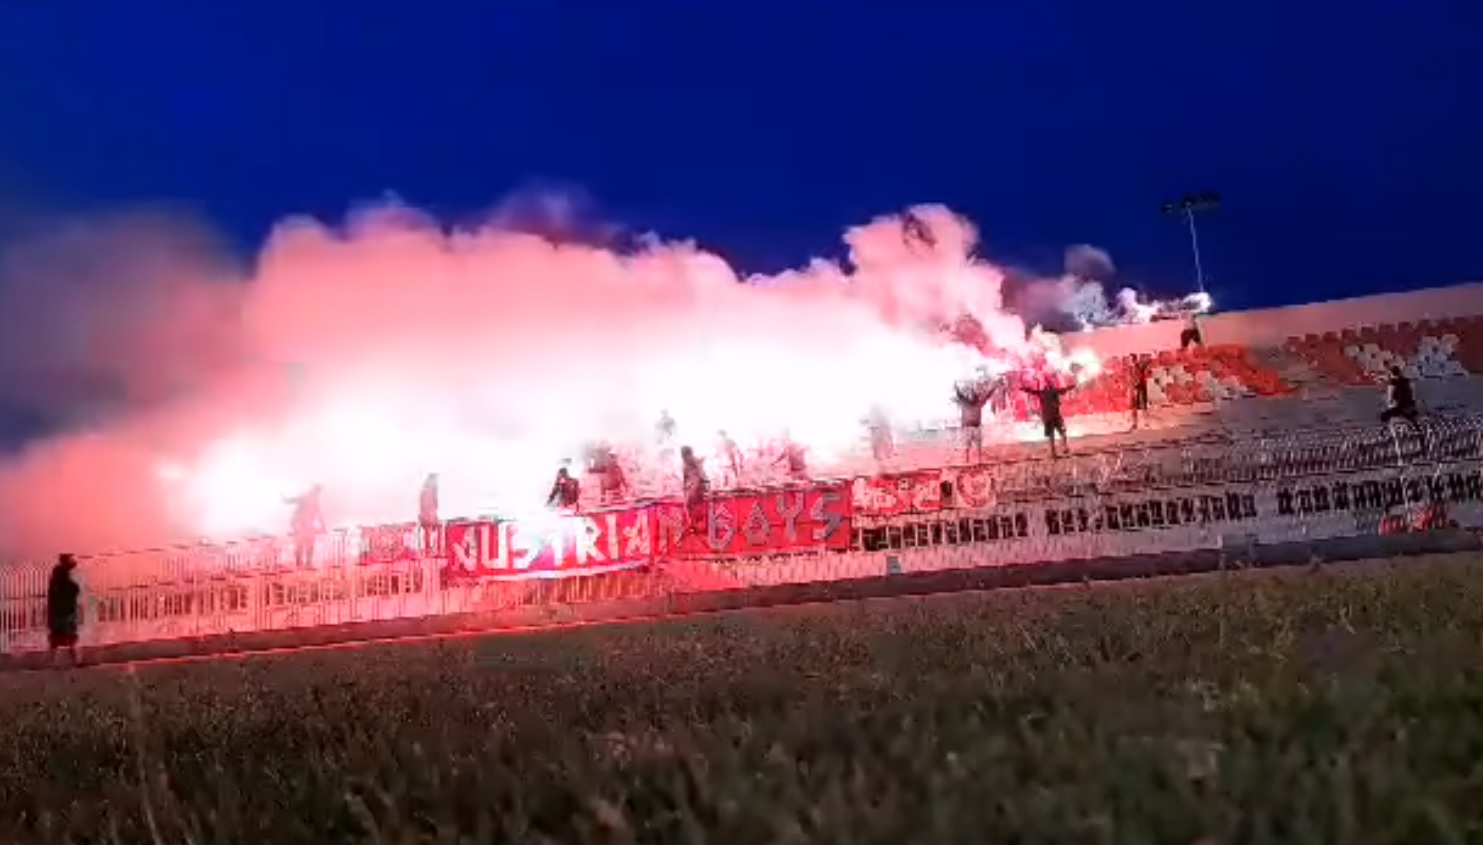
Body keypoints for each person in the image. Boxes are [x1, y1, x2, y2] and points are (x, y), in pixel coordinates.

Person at [1022, 378, 1076, 458]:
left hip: (1048, 417)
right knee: (1061, 432)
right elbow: (1063, 390)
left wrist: (1025, 389)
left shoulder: (1042, 393)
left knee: (1052, 435)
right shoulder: (1052, 391)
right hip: (1055, 416)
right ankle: (1063, 448)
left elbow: (1032, 392)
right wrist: (1071, 387)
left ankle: (1054, 452)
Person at [47, 553, 82, 667]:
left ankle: (52, 663)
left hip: (57, 614)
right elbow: (73, 588)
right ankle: (76, 661)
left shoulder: (55, 577)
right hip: (65, 613)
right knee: (69, 638)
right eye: (69, 559)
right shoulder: (62, 574)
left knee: (56, 640)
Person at [953, 378, 992, 463]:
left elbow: (988, 395)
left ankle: (979, 460)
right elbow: (960, 395)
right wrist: (956, 387)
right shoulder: (965, 403)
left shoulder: (978, 403)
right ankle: (967, 460)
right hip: (967, 428)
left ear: (976, 397)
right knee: (967, 446)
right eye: (970, 394)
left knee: (978, 445)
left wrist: (993, 387)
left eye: (973, 394)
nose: (972, 396)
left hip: (976, 427)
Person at [287, 485, 324, 567]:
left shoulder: (314, 501)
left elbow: (319, 514)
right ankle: (300, 563)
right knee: (301, 542)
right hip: (300, 523)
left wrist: (322, 526)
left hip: (305, 524)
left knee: (308, 542)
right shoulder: (307, 498)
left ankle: (307, 563)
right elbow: (294, 500)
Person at [418, 473, 440, 555]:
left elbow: (422, 503)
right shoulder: (432, 489)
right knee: (432, 530)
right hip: (429, 513)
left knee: (428, 531)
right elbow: (435, 503)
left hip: (426, 513)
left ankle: (429, 549)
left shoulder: (424, 490)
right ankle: (433, 549)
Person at [1129, 354, 1152, 429]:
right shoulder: (1129, 368)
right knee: (1134, 407)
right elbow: (1129, 378)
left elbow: (1147, 363)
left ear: (1135, 359)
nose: (1131, 361)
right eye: (1130, 359)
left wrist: (1148, 359)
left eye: (1132, 359)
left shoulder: (1139, 365)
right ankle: (1134, 423)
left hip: (1141, 388)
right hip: (1133, 389)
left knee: (1143, 406)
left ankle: (1146, 422)